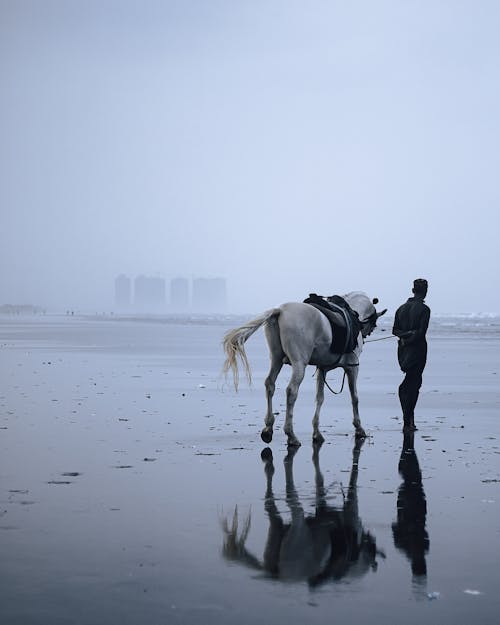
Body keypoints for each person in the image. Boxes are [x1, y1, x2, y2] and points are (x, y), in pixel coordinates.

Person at [392, 279, 430, 432]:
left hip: (402, 351)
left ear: (413, 290)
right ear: (425, 291)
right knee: (413, 384)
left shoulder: (401, 308)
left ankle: (409, 419)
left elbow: (395, 331)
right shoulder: (424, 309)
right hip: (417, 350)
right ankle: (408, 421)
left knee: (410, 382)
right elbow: (421, 333)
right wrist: (410, 337)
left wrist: (404, 338)